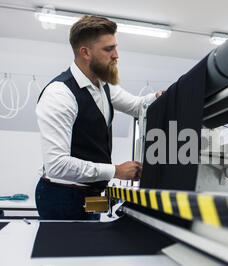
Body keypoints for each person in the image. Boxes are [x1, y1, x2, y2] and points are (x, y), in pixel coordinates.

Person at [35, 15, 164, 220]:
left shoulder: (104, 86)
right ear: (85, 52)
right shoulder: (60, 94)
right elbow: (57, 165)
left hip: (91, 196)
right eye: (108, 49)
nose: (116, 55)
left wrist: (165, 96)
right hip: (62, 197)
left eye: (115, 47)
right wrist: (115, 171)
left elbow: (138, 106)